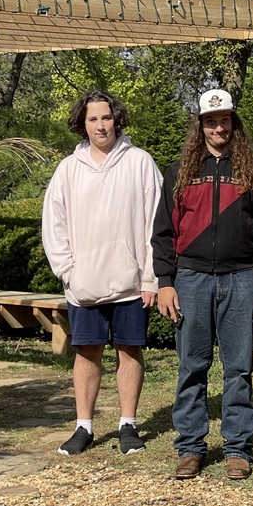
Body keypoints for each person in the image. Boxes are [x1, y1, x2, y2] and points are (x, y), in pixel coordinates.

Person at [152, 89, 253, 481]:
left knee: (239, 368)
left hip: (242, 278)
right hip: (189, 279)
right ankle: (190, 447)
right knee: (192, 366)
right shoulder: (179, 173)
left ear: (233, 122)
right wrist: (165, 282)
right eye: (211, 121)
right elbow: (162, 232)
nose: (218, 126)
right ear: (201, 125)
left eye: (224, 119)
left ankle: (237, 448)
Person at [42, 89, 162, 456]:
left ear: (117, 119)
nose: (100, 125)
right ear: (82, 123)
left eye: (106, 117)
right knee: (87, 353)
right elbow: (54, 224)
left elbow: (157, 224)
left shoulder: (140, 162)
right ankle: (84, 427)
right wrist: (68, 273)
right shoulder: (67, 169)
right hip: (84, 285)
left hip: (131, 282)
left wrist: (150, 278)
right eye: (92, 119)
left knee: (129, 351)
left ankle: (128, 424)